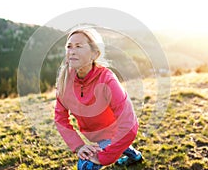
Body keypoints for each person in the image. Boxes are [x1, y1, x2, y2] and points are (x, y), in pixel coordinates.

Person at [54, 26, 142, 170]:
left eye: (79, 46)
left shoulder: (107, 80)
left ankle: (123, 149)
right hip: (94, 136)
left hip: (115, 133)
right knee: (112, 145)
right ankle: (134, 156)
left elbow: (129, 125)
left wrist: (102, 158)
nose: (72, 51)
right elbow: (60, 118)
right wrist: (79, 146)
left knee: (85, 165)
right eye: (69, 47)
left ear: (94, 54)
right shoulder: (65, 82)